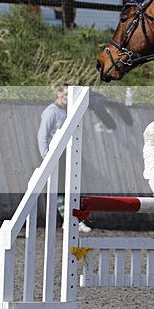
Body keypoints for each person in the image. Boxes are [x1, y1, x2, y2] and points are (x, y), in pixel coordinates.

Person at [37, 85, 90, 232]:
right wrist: (46, 156)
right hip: (56, 154)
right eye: (65, 94)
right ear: (59, 94)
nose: (67, 97)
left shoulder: (67, 111)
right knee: (61, 188)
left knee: (72, 187)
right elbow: (43, 135)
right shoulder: (50, 112)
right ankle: (69, 219)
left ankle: (73, 218)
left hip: (68, 153)